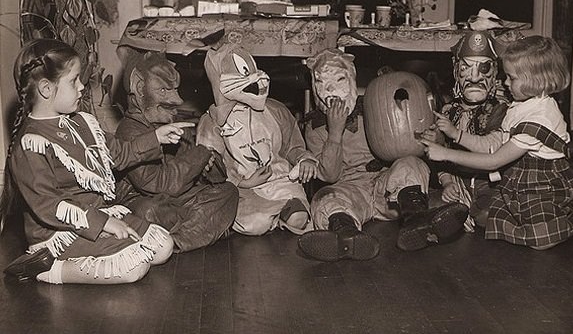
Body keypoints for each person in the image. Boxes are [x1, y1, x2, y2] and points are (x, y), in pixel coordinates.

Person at [0, 38, 191, 284]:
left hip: (97, 214)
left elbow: (118, 153)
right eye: (73, 81)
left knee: (163, 246)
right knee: (134, 267)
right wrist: (104, 224)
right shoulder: (32, 144)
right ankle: (48, 269)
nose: (81, 87)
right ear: (46, 89)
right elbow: (50, 207)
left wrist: (156, 137)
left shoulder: (82, 122)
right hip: (60, 232)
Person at [297, 48, 468, 260]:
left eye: (339, 79)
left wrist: (434, 138)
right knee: (324, 198)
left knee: (409, 163)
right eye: (321, 82)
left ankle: (416, 219)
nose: (330, 90)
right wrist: (334, 133)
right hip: (350, 190)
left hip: (387, 189)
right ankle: (346, 233)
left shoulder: (374, 104)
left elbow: (410, 141)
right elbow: (330, 176)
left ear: (351, 78)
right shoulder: (314, 127)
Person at [422, 35, 573, 250]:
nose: (505, 82)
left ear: (535, 80)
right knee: (487, 220)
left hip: (544, 185)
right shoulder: (521, 105)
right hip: (519, 181)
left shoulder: (540, 118)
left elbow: (493, 161)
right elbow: (491, 144)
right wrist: (456, 134)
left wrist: (446, 154)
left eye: (511, 78)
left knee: (539, 240)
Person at [115, 50, 238, 253]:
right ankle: (196, 232)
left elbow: (213, 177)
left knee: (228, 192)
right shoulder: (129, 131)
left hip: (176, 199)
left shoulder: (171, 121)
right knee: (147, 211)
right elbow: (157, 185)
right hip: (144, 200)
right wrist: (197, 157)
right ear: (139, 89)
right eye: (163, 91)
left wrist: (209, 161)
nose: (177, 100)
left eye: (175, 90)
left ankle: (175, 240)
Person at [196, 42, 318, 236]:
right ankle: (271, 219)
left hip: (281, 181)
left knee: (299, 218)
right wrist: (242, 182)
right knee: (256, 223)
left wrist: (305, 160)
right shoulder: (211, 123)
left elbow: (293, 146)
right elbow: (210, 169)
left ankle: (285, 216)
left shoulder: (276, 110)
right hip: (243, 189)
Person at [421, 30, 509, 230]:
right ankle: (459, 211)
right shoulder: (448, 111)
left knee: (486, 216)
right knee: (432, 208)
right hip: (457, 179)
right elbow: (437, 157)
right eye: (465, 69)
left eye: (483, 68)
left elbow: (491, 149)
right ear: (455, 73)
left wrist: (456, 134)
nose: (475, 77)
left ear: (495, 73)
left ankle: (469, 214)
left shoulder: (500, 110)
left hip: (488, 182)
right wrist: (447, 182)